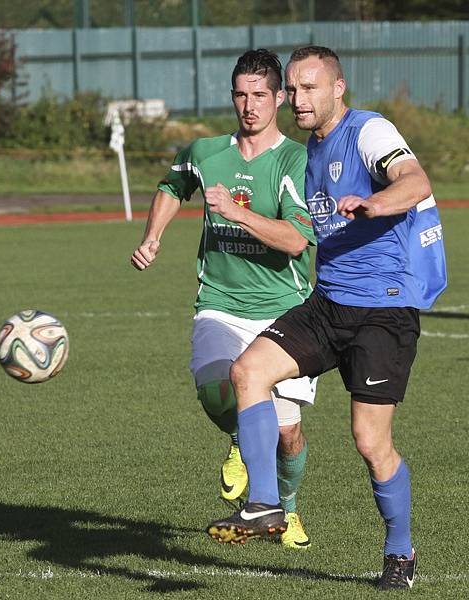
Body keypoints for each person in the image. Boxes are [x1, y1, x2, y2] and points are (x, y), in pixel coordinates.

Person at [206, 46, 447, 591]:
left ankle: (400, 550)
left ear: (339, 87)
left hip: (383, 310)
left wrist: (376, 203)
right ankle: (266, 503)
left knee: (369, 441)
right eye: (292, 89)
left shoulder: (369, 132)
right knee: (248, 373)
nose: (298, 99)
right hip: (328, 304)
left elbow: (416, 180)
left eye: (309, 87)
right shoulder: (310, 151)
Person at [130, 49, 317, 549]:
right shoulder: (205, 152)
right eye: (241, 94)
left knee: (288, 435)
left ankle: (288, 506)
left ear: (279, 98)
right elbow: (173, 185)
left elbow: (297, 240)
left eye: (260, 95)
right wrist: (154, 236)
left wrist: (236, 213)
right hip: (219, 300)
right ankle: (248, 456)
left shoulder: (296, 160)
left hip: (286, 310)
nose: (249, 105)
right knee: (215, 385)